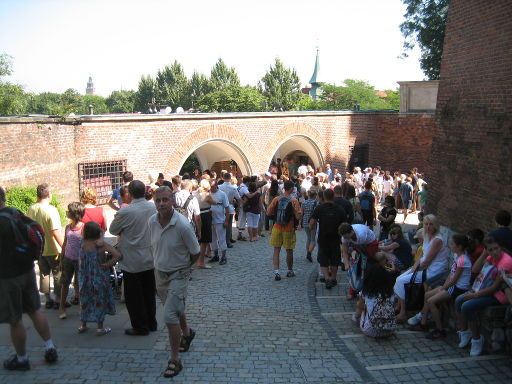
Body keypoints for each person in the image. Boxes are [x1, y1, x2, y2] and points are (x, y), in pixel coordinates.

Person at [0, 187, 59, 370]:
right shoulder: (15, 213)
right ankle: (50, 347)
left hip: (8, 276)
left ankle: (22, 358)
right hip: (26, 270)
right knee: (35, 310)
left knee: (15, 319)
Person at [149, 186, 200, 378]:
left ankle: (175, 359)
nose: (161, 204)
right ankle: (187, 332)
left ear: (172, 200)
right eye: (158, 200)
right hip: (160, 273)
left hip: (178, 274)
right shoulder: (152, 222)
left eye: (165, 200)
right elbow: (153, 246)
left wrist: (185, 268)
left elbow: (195, 252)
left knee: (169, 316)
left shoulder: (182, 225)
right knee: (175, 308)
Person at [109, 180, 158, 336]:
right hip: (150, 256)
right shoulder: (153, 207)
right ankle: (151, 322)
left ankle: (140, 326)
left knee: (134, 296)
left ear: (129, 193)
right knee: (149, 292)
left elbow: (113, 229)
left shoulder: (125, 212)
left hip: (131, 259)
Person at [456, 236, 512, 356]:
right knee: (458, 300)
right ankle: (464, 332)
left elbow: (495, 288)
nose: (495, 252)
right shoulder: (491, 257)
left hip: (500, 296)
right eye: (491, 250)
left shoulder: (505, 263)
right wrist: (484, 256)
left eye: (496, 248)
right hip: (486, 290)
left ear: (500, 247)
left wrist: (474, 295)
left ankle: (477, 339)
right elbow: (475, 270)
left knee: (466, 306)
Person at [394, 214, 449, 323]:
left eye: (431, 224)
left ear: (436, 226)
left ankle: (403, 312)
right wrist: (414, 267)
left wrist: (415, 269)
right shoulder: (427, 236)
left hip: (433, 270)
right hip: (423, 267)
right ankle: (399, 307)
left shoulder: (437, 240)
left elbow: (427, 260)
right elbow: (422, 256)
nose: (428, 227)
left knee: (401, 281)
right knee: (399, 278)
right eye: (426, 224)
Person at [419, 234, 472, 339]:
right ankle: (423, 323)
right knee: (427, 295)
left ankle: (440, 330)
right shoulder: (458, 257)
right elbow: (450, 275)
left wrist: (443, 288)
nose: (450, 246)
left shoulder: (463, 260)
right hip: (452, 287)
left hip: (458, 289)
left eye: (452, 244)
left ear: (459, 246)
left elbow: (454, 280)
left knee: (431, 301)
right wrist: (443, 286)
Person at [78, 221, 121, 336]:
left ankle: (83, 325)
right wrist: (108, 264)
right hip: (99, 277)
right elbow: (117, 255)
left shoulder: (82, 243)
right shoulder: (101, 245)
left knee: (85, 300)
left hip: (85, 277)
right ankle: (100, 327)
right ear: (98, 232)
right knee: (99, 301)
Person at [27, 183, 64, 309]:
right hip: (53, 248)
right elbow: (55, 231)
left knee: (44, 274)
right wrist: (64, 246)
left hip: (38, 248)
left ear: (37, 195)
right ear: (49, 195)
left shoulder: (31, 209)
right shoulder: (51, 210)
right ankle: (58, 299)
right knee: (58, 274)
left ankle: (48, 299)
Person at [309, 189, 347, 289]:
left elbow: (312, 223)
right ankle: (333, 278)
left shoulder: (319, 208)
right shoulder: (339, 209)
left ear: (324, 197)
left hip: (323, 238)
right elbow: (345, 224)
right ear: (333, 196)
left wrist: (311, 228)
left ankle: (327, 279)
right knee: (335, 259)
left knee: (323, 259)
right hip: (336, 238)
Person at [267, 180, 301, 281]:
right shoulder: (294, 200)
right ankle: (290, 271)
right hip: (288, 228)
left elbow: (268, 212)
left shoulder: (277, 199)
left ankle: (277, 272)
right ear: (291, 189)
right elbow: (298, 217)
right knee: (289, 250)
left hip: (277, 227)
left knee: (276, 250)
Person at [353, 261, 396, 338]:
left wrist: (356, 318)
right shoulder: (391, 292)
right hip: (390, 329)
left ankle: (363, 322)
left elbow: (359, 308)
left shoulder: (366, 292)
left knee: (361, 307)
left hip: (370, 331)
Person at [59, 202, 85, 320]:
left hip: (80, 260)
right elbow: (65, 243)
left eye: (68, 211)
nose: (67, 213)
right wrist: (61, 258)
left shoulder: (84, 227)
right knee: (65, 283)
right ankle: (62, 307)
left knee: (80, 284)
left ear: (75, 214)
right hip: (68, 259)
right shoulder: (68, 227)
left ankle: (82, 308)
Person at [209, 180, 230, 265]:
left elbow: (227, 208)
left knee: (221, 239)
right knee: (213, 239)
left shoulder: (222, 194)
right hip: (211, 220)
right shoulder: (208, 194)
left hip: (220, 220)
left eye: (212, 186)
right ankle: (216, 255)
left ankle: (224, 256)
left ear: (216, 185)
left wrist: (226, 221)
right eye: (210, 186)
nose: (211, 188)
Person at [195, 179, 214, 269]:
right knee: (205, 240)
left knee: (199, 239)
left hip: (197, 215)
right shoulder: (207, 194)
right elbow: (214, 202)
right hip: (205, 216)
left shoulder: (195, 193)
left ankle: (197, 259)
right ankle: (201, 261)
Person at [219, 173, 241, 248]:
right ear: (230, 178)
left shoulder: (219, 187)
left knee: (222, 225)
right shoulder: (233, 188)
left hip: (221, 207)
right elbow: (238, 198)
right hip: (230, 207)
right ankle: (228, 241)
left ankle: (224, 240)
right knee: (229, 225)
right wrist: (238, 207)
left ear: (223, 178)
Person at [301, 189, 318, 262]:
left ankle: (307, 252)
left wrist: (299, 223)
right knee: (313, 239)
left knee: (308, 238)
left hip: (305, 221)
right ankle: (309, 253)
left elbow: (301, 213)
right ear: (314, 195)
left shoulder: (304, 202)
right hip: (312, 222)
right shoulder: (315, 203)